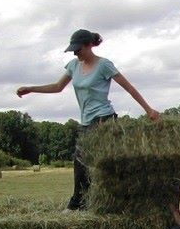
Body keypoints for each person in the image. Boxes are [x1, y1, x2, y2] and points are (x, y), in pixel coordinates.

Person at [16, 29, 160, 210]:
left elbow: (129, 88)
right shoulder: (73, 66)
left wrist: (148, 110)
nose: (75, 53)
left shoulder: (104, 65)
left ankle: (77, 204)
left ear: (89, 45)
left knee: (81, 159)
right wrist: (31, 89)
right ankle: (91, 202)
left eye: (78, 49)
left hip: (104, 120)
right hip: (85, 121)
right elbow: (58, 87)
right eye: (73, 50)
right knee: (85, 163)